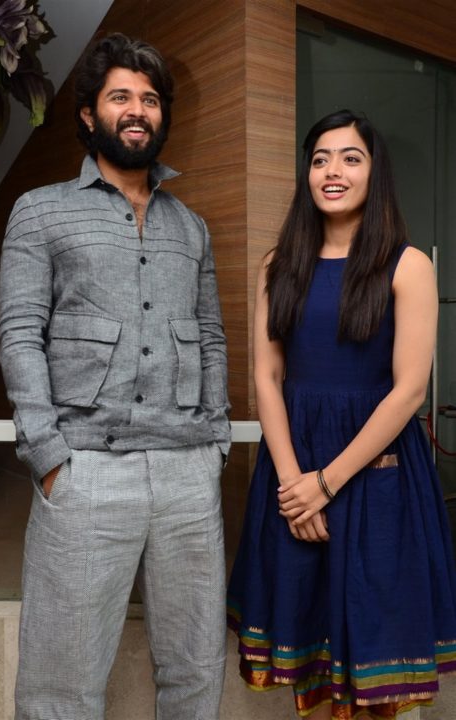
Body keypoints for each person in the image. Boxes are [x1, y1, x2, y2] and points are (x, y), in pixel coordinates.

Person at [0, 32, 231, 720]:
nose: (138, 110)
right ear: (87, 114)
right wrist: (48, 458)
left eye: (150, 99)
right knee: (60, 684)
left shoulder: (190, 227)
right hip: (86, 472)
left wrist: (214, 441)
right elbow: (19, 335)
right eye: (121, 97)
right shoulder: (39, 210)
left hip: (188, 474)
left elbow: (213, 336)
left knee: (193, 669)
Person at [227, 109, 456, 719]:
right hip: (291, 474)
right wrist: (293, 485)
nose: (333, 171)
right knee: (312, 670)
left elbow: (409, 391)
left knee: (374, 670)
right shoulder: (280, 264)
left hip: (377, 476)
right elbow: (267, 377)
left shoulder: (407, 265)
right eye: (321, 158)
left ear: (373, 172)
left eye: (350, 158)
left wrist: (326, 484)